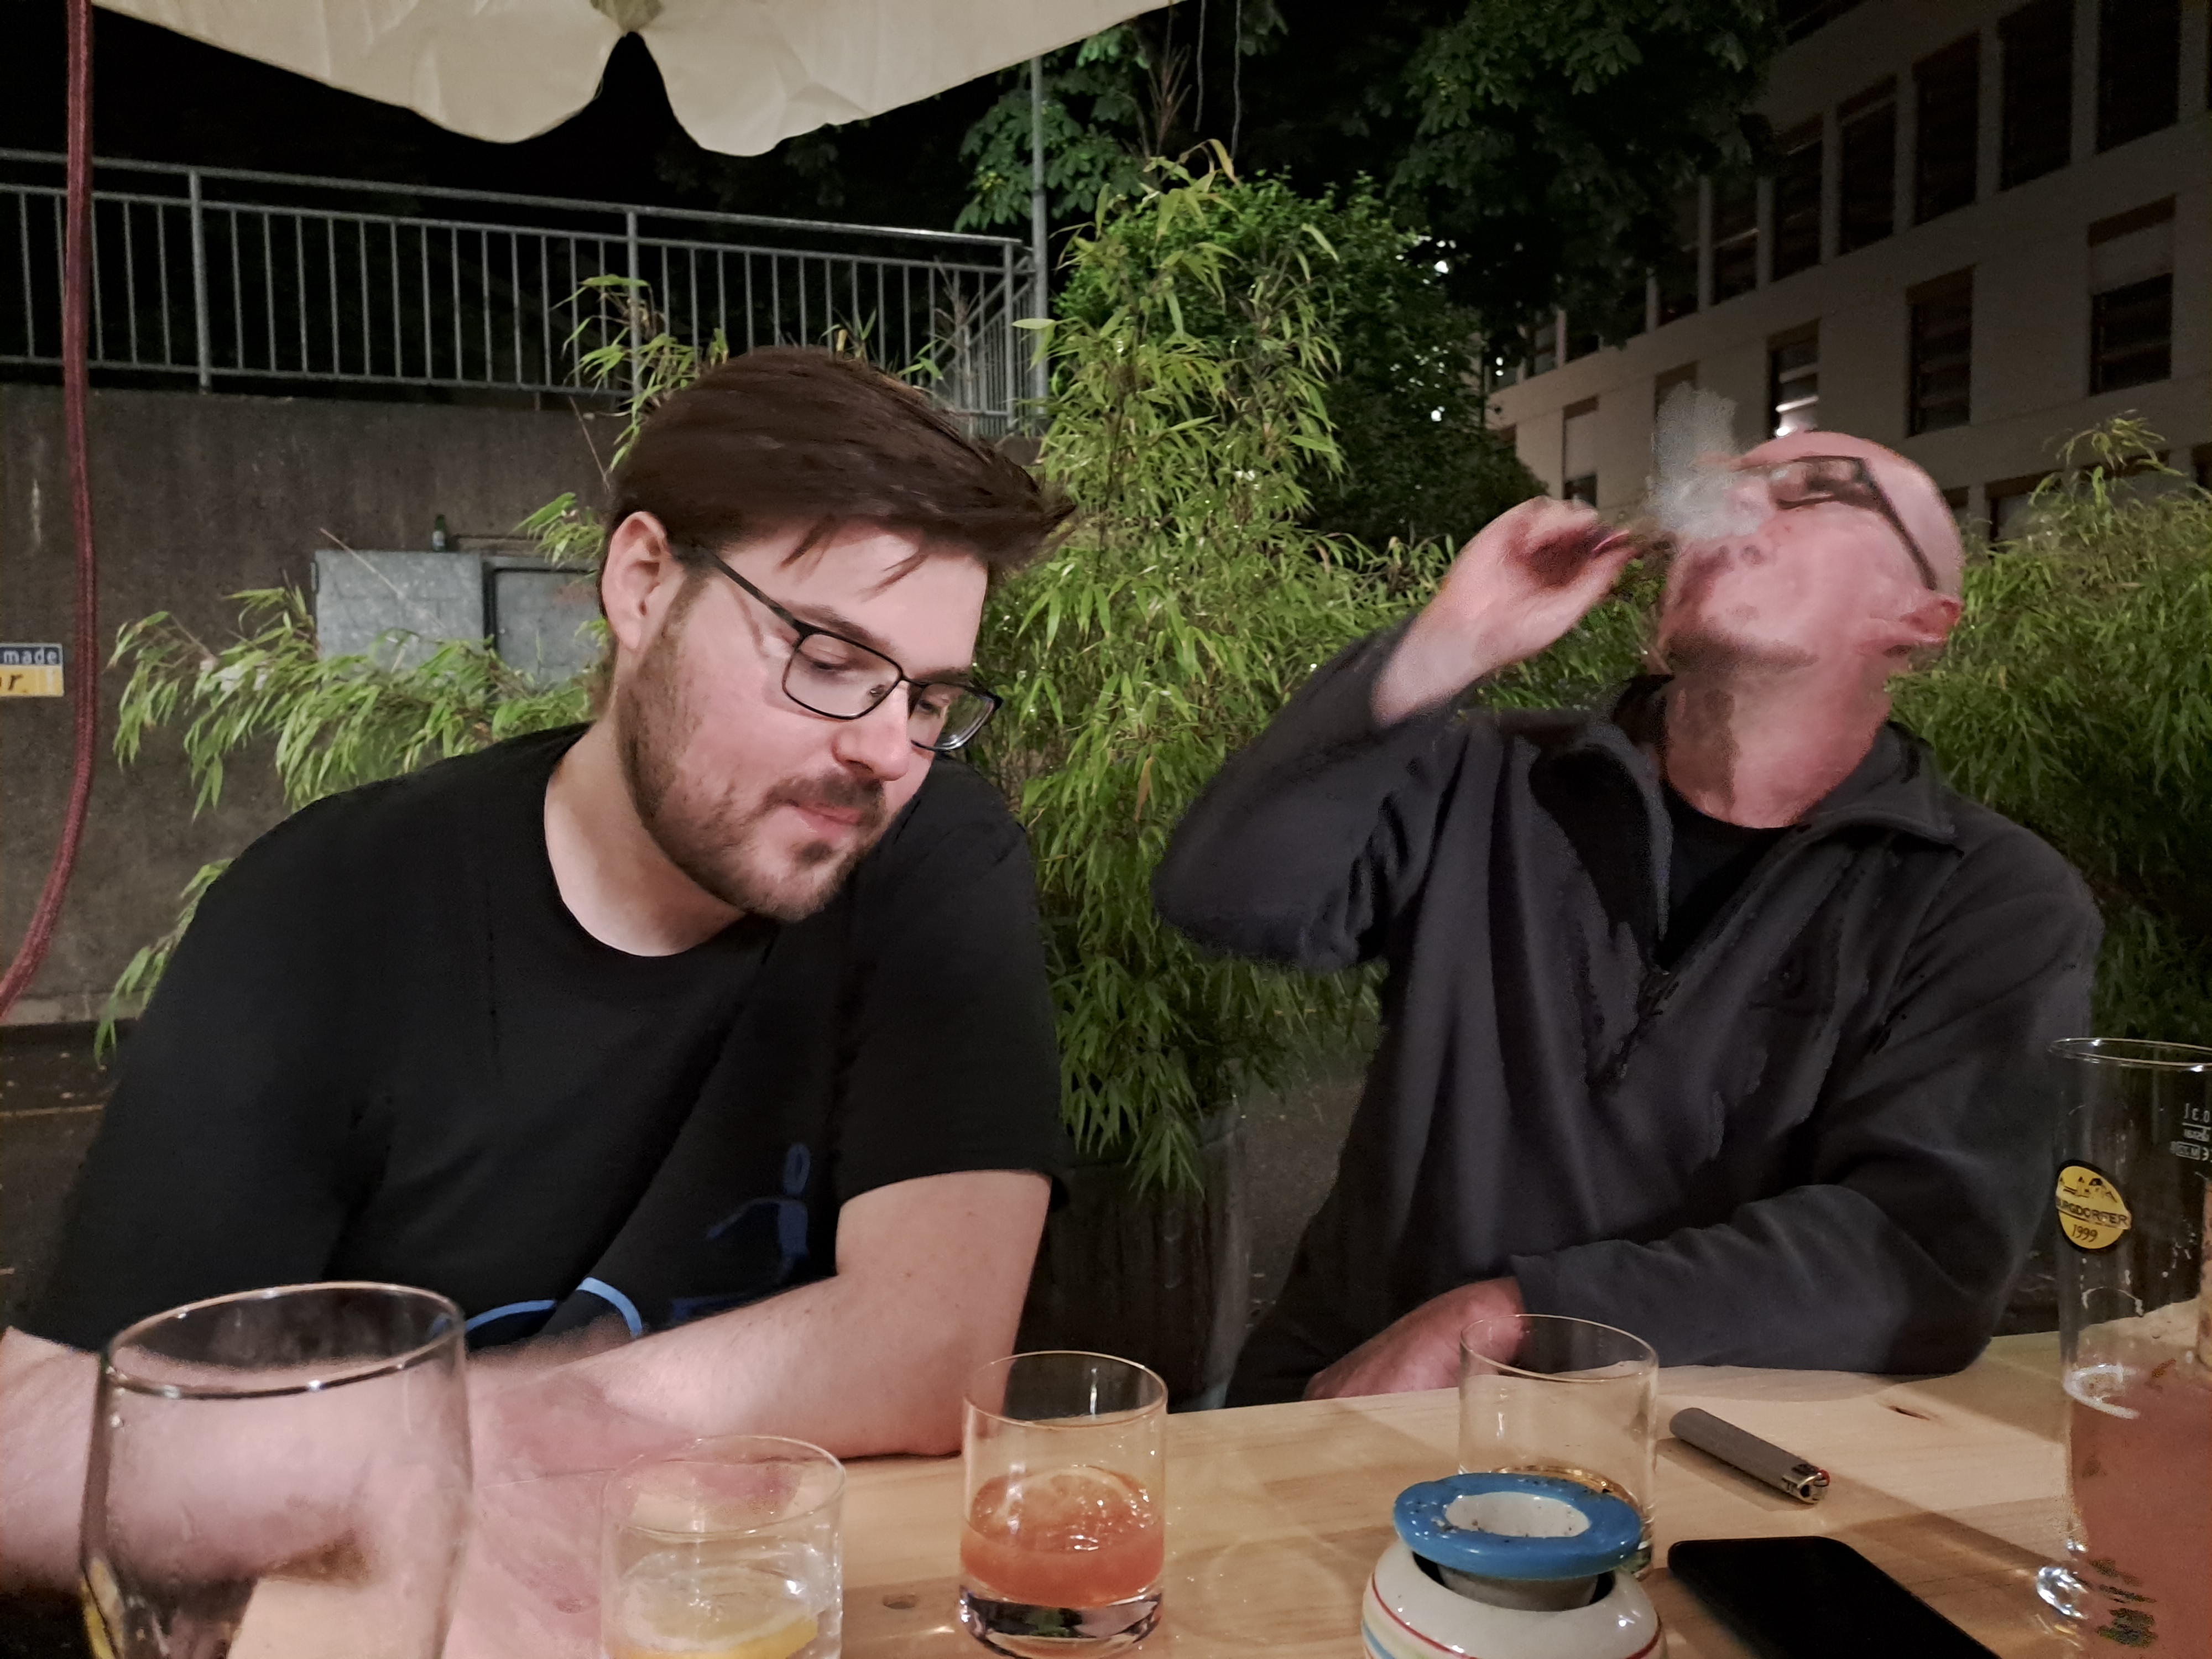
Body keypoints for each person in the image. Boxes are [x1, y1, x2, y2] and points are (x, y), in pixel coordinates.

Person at [0, 349, 1073, 1612]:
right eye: (830, 659)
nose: (887, 751)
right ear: (642, 583)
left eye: (930, 698)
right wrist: (436, 1459)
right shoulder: (331, 909)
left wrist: (462, 1439)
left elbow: (934, 1345)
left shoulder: (931, 853)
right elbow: (73, 1436)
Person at [1154, 429, 2100, 1405]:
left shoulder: (1988, 898)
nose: (1736, 505)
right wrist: (1452, 640)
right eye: (1724, 486)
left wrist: (1516, 1316)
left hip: (1697, 1451)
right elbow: (1226, 897)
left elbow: (1918, 1255)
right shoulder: (1490, 779)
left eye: (1816, 490)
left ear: (1922, 620)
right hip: (1352, 1404)